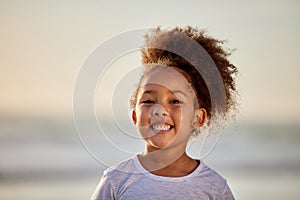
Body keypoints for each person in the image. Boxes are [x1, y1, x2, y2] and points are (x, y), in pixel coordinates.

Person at [91, 26, 238, 200]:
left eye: (175, 101)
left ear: (198, 118)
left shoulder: (214, 187)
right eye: (149, 101)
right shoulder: (115, 181)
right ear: (135, 116)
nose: (159, 110)